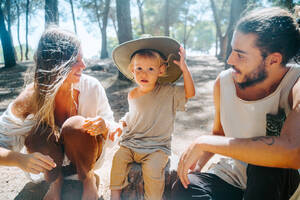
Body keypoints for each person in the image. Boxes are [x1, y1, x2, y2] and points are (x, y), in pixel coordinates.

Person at [172, 7, 300, 200]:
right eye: (232, 50)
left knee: (264, 167)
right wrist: (198, 166)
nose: (230, 59)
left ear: (273, 60)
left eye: (240, 55)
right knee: (184, 188)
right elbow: (220, 133)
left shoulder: (296, 83)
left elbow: (293, 151)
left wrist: (204, 142)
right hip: (234, 176)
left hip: (281, 182)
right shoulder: (223, 83)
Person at [0, 27, 115, 200]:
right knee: (39, 133)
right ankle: (56, 182)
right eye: (76, 61)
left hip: (86, 159)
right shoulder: (29, 99)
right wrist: (19, 159)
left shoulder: (92, 87)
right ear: (56, 66)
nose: (83, 66)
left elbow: (112, 126)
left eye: (82, 58)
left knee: (76, 125)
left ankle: (87, 180)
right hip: (48, 167)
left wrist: (105, 127)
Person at [84, 37, 195, 200]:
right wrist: (121, 124)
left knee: (153, 171)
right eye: (139, 68)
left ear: (161, 70)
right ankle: (115, 195)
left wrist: (184, 69)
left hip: (156, 146)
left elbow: (190, 93)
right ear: (132, 70)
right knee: (118, 160)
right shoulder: (133, 94)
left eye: (151, 69)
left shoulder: (168, 91)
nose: (144, 73)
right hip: (132, 143)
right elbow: (133, 115)